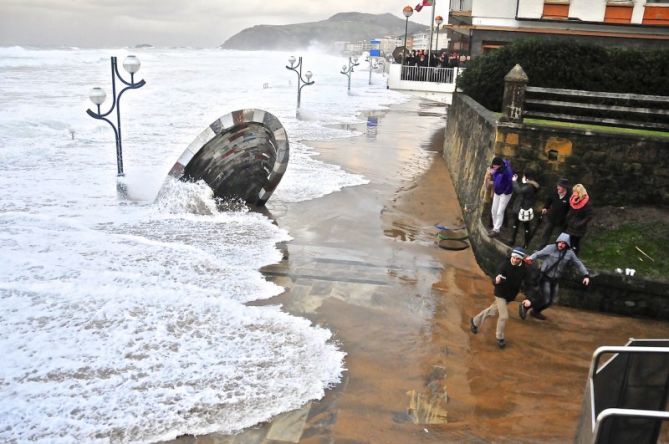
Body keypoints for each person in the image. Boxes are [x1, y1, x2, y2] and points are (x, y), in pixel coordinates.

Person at [519, 233, 590, 321]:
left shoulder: (569, 253)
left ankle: (535, 311)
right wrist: (531, 258)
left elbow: (578, 263)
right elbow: (538, 254)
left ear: (567, 244)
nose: (561, 245)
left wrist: (586, 275)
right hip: (545, 277)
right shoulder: (550, 248)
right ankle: (526, 305)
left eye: (563, 243)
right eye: (560, 242)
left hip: (556, 279)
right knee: (546, 299)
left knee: (552, 301)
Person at [470, 247, 529, 349]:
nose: (515, 260)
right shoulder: (504, 265)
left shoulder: (524, 268)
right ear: (512, 256)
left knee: (492, 311)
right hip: (500, 293)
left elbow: (529, 283)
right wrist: (496, 281)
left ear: (521, 259)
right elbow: (496, 278)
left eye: (517, 259)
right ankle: (500, 337)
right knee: (504, 316)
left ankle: (475, 321)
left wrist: (529, 298)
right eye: (514, 257)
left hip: (510, 295)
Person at [509, 170, 540, 248]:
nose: (522, 178)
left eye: (523, 176)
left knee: (526, 226)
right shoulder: (529, 185)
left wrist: (514, 181)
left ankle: (526, 243)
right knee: (516, 224)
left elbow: (519, 191)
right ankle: (512, 239)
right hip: (520, 207)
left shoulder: (529, 187)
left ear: (526, 178)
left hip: (524, 209)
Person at [538, 178, 571, 249]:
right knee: (545, 233)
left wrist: (567, 219)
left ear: (564, 187)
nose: (557, 187)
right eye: (558, 185)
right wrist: (545, 208)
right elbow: (548, 201)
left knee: (560, 237)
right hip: (551, 218)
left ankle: (556, 251)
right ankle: (541, 249)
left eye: (560, 186)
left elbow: (570, 210)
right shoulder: (554, 193)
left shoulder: (569, 197)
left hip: (562, 221)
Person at [487, 156, 513, 237]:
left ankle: (496, 230)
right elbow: (495, 178)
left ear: (499, 165)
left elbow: (510, 183)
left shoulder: (507, 171)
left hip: (505, 193)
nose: (493, 167)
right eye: (493, 165)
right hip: (497, 191)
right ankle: (495, 227)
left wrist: (505, 192)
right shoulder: (495, 168)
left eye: (495, 166)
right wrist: (492, 173)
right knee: (493, 210)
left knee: (499, 211)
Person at [565, 183, 593, 255]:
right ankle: (568, 257)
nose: (574, 193)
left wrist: (580, 224)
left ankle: (574, 258)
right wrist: (568, 218)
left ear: (580, 192)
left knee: (575, 244)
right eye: (574, 191)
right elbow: (571, 210)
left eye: (576, 191)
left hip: (579, 227)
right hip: (571, 225)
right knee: (569, 242)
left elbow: (589, 216)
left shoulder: (587, 203)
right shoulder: (573, 200)